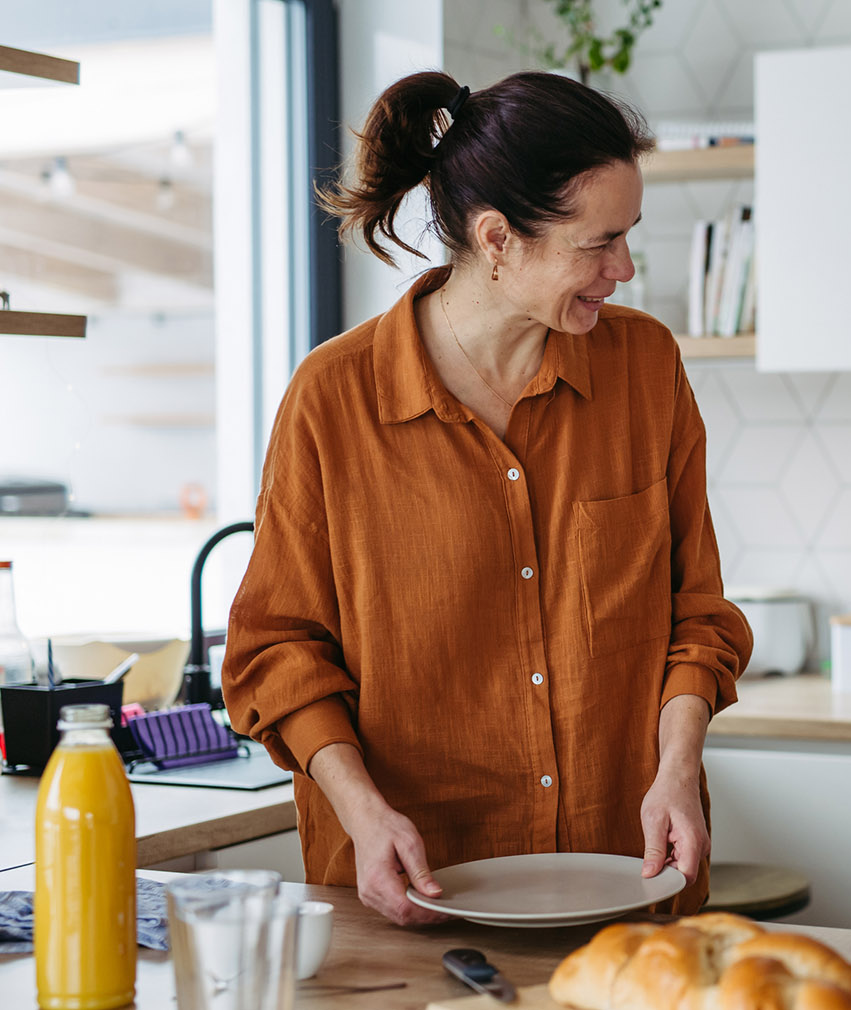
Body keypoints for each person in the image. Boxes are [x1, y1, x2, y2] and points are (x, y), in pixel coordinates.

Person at [223, 70, 750, 926]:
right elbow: (276, 650)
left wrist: (678, 765)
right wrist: (360, 811)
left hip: (624, 879)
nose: (622, 268)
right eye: (597, 244)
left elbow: (697, 612)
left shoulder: (644, 368)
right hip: (424, 896)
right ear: (497, 238)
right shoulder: (334, 398)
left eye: (629, 237)